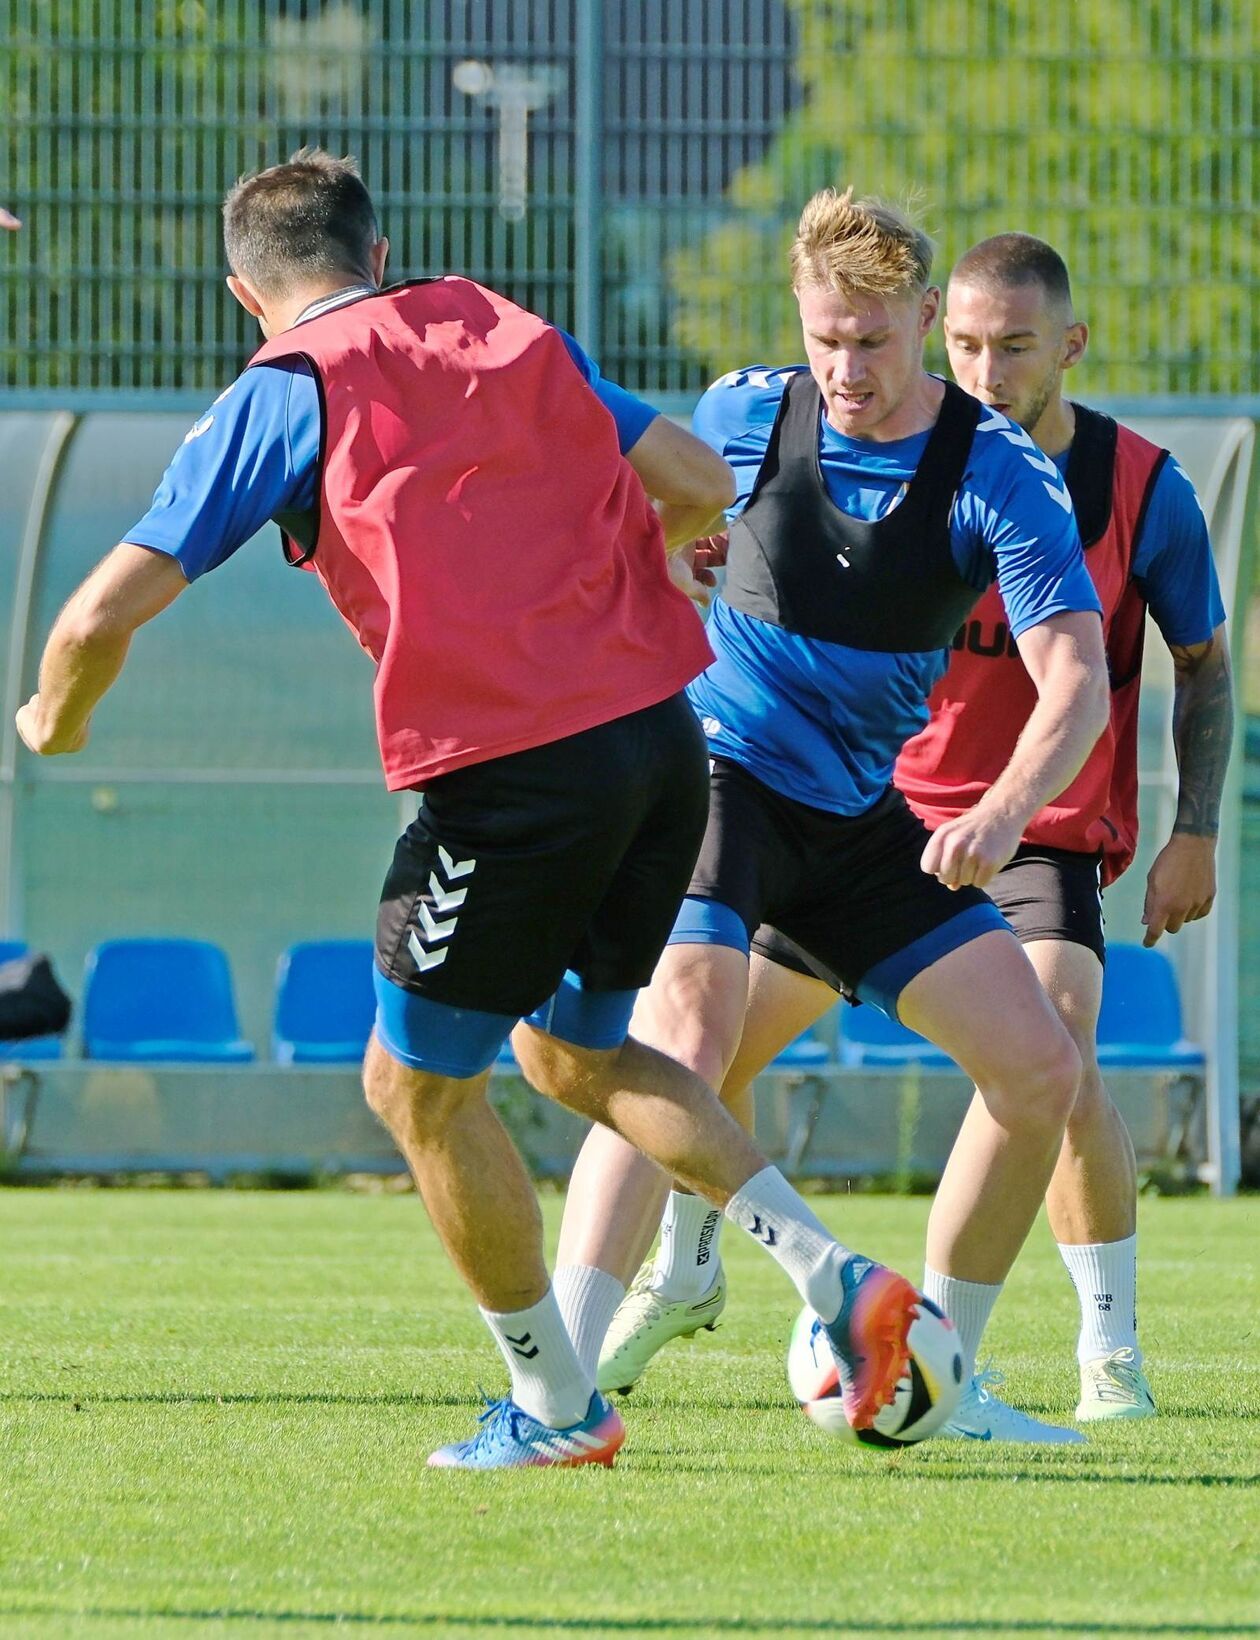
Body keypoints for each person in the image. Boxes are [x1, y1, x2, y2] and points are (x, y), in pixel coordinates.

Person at [15, 150, 933, 1469]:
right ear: (378, 256)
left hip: (517, 777)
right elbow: (691, 470)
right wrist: (668, 554)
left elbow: (105, 609)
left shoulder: (285, 388)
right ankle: (832, 1275)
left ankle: (557, 1409)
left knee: (415, 1089)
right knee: (570, 1059)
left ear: (243, 292)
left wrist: (58, 716)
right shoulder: (491, 322)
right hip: (663, 743)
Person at [602, 232, 1232, 1431]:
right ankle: (674, 1271)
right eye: (970, 347)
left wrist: (1194, 826)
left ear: (1072, 347)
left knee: (1054, 1051)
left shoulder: (1137, 487)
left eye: (1017, 347)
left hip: (1033, 827)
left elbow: (1199, 664)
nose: (988, 371)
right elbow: (692, 533)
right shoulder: (826, 431)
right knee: (692, 1044)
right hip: (871, 811)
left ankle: (1062, 1350)